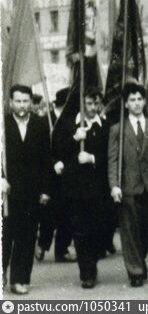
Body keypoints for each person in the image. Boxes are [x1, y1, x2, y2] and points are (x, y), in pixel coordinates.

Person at [108, 82, 148, 288]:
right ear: (126, 104)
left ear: (145, 101)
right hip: (128, 187)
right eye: (132, 100)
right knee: (129, 231)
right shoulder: (118, 129)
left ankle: (139, 260)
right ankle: (135, 271)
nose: (136, 104)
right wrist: (114, 185)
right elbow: (113, 160)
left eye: (139, 99)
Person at [51, 87, 110, 289]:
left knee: (98, 230)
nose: (93, 107)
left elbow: (111, 156)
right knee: (81, 230)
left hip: (99, 189)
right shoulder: (70, 125)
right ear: (82, 104)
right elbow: (57, 151)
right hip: (75, 189)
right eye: (89, 103)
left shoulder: (105, 126)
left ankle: (92, 263)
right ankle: (87, 272)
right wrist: (74, 139)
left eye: (96, 103)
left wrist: (92, 158)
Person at [2, 84, 52, 295]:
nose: (22, 105)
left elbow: (46, 160)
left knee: (27, 236)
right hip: (7, 192)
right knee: (5, 236)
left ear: (31, 102)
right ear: (10, 102)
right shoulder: (3, 125)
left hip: (31, 191)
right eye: (18, 101)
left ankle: (20, 279)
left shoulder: (40, 125)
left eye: (25, 101)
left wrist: (46, 190)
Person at [36, 87, 76, 264]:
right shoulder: (45, 121)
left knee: (68, 211)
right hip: (49, 173)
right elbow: (41, 149)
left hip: (68, 172)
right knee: (48, 211)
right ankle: (42, 244)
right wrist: (53, 162)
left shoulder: (73, 120)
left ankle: (62, 249)